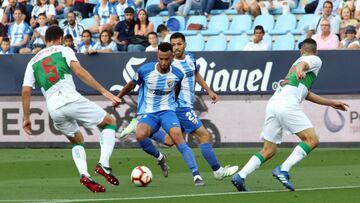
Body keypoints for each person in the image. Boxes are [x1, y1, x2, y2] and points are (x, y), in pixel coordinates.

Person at [119, 32, 239, 182]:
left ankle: (141, 127)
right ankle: (218, 170)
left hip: (186, 104)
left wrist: (208, 90)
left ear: (185, 44)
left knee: (170, 141)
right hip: (180, 108)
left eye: (179, 44)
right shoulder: (170, 64)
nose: (176, 48)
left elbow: (196, 74)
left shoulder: (190, 58)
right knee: (204, 136)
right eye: (173, 44)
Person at [231, 38, 349, 192]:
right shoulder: (314, 60)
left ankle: (241, 175)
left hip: (274, 103)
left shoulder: (295, 66)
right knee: (312, 140)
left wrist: (330, 103)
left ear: (300, 51)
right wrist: (301, 69)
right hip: (287, 104)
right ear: (316, 51)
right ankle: (283, 169)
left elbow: (306, 94)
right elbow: (304, 64)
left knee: (269, 149)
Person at [22, 25, 121, 193]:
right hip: (69, 97)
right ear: (60, 38)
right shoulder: (64, 50)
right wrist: (105, 92)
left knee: (77, 140)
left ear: (46, 40)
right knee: (109, 123)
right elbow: (79, 72)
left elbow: (25, 91)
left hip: (53, 108)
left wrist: (26, 117)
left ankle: (84, 174)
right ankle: (104, 164)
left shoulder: (32, 61)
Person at [113, 42, 205, 186]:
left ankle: (196, 175)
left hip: (167, 111)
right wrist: (118, 97)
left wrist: (173, 103)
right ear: (157, 56)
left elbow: (177, 88)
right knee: (140, 135)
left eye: (166, 59)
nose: (163, 62)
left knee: (174, 139)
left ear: (172, 58)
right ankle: (160, 157)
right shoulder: (145, 70)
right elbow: (131, 84)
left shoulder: (177, 74)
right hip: (150, 113)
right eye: (160, 59)